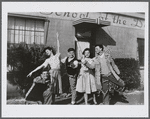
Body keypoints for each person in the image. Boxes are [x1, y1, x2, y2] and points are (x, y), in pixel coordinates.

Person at [27, 33, 63, 103]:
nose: (47, 53)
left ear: (51, 50)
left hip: (58, 73)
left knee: (57, 89)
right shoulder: (48, 60)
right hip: (52, 73)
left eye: (47, 51)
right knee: (52, 88)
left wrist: (57, 38)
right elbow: (40, 66)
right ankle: (51, 102)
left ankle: (52, 101)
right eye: (46, 52)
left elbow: (59, 46)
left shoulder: (57, 56)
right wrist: (32, 72)